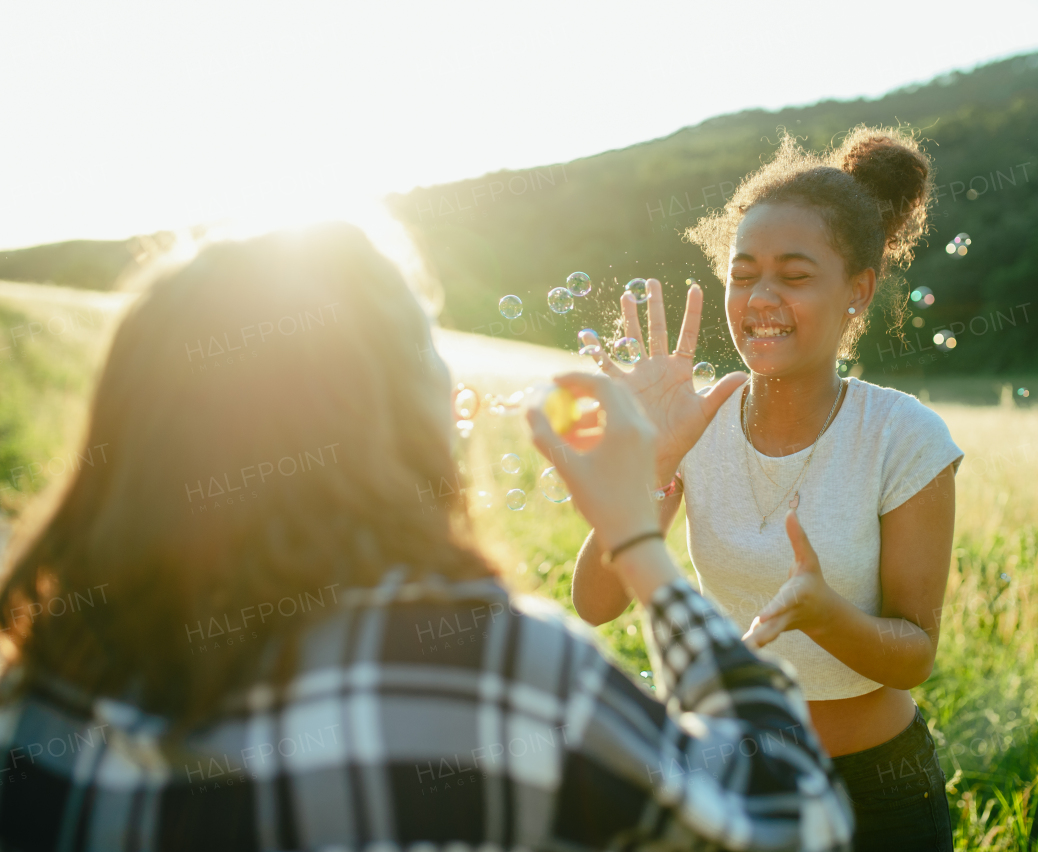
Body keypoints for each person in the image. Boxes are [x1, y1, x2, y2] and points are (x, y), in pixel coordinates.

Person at [0, 222, 853, 851]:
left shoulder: (32, 700)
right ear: (404, 419)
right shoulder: (494, 679)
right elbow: (795, 819)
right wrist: (636, 533)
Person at [573, 127, 963, 851]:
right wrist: (646, 465)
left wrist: (824, 615)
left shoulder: (904, 438)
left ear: (858, 290)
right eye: (744, 272)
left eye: (795, 274)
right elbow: (596, 604)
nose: (761, 297)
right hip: (727, 778)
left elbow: (916, 654)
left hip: (876, 794)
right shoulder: (695, 422)